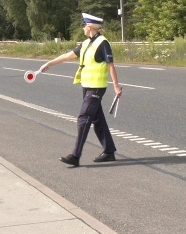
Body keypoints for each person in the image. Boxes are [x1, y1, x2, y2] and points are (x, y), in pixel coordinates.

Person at [39, 12, 123, 166]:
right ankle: (109, 151)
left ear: (90, 26)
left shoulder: (103, 43)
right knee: (98, 120)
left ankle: (75, 156)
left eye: (85, 25)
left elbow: (111, 65)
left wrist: (116, 86)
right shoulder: (86, 43)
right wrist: (49, 63)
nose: (83, 28)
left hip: (96, 88)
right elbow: (67, 55)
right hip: (87, 87)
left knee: (83, 119)